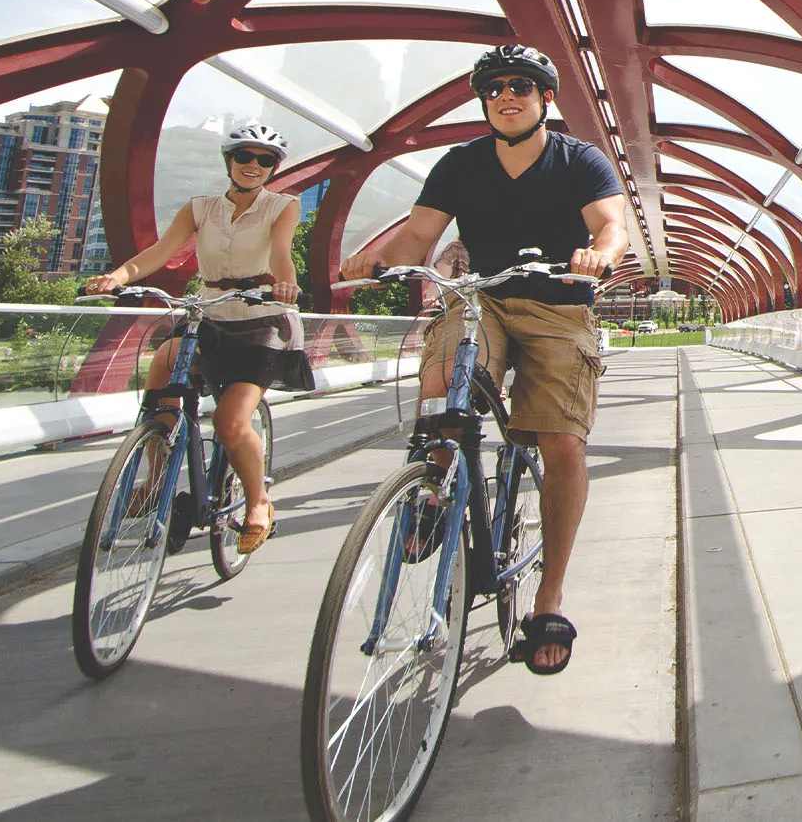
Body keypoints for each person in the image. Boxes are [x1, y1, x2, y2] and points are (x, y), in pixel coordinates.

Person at [342, 43, 629, 674]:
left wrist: (598, 252)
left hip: (558, 302)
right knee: (445, 387)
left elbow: (611, 225)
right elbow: (420, 234)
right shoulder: (462, 164)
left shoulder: (578, 159)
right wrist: (378, 259)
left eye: (521, 86)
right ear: (484, 100)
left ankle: (548, 597)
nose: (507, 95)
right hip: (483, 299)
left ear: (545, 98)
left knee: (561, 445)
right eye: (495, 87)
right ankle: (434, 485)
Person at [86, 122, 307, 553]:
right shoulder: (200, 207)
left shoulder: (283, 205)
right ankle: (155, 472)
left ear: (273, 168)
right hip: (209, 309)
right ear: (229, 161)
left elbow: (282, 251)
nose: (253, 165)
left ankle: (258, 502)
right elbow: (158, 252)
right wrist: (116, 277)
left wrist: (286, 283)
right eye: (245, 156)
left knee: (230, 422)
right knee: (163, 372)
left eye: (265, 160)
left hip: (262, 318)